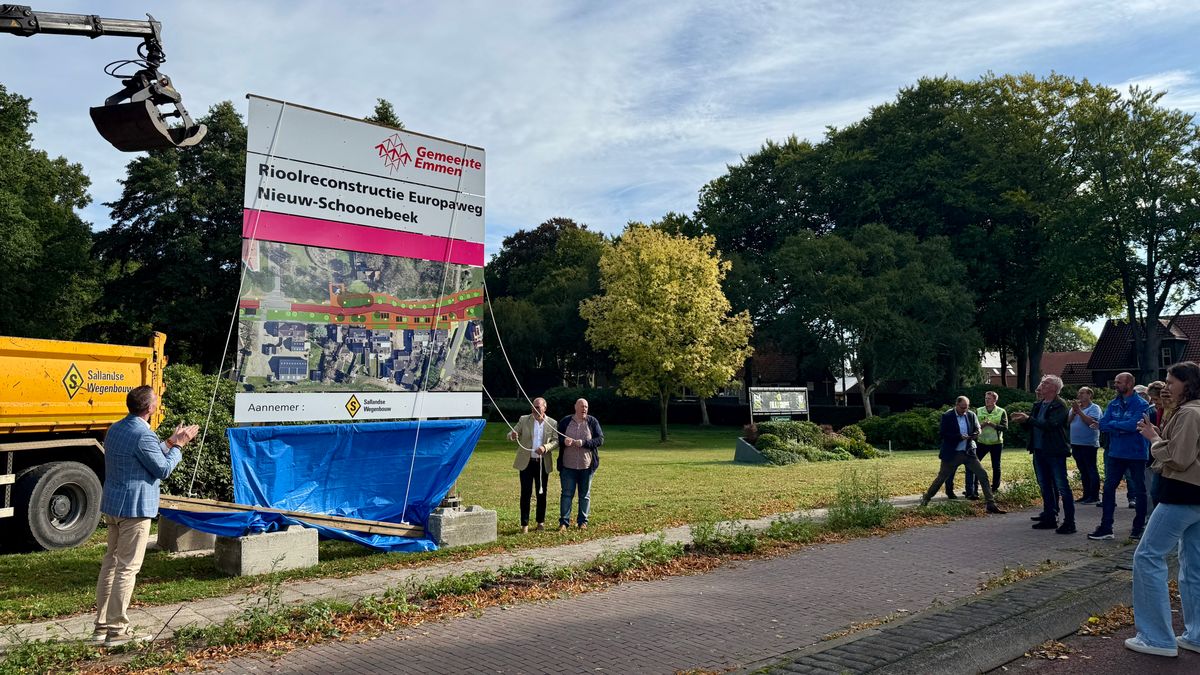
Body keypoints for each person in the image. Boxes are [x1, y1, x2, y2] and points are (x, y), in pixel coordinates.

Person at [91, 385, 198, 647]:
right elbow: (162, 470)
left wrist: (170, 441)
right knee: (127, 568)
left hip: (115, 506)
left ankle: (101, 628)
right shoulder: (144, 435)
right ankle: (117, 632)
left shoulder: (116, 428)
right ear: (149, 408)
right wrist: (179, 447)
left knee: (111, 565)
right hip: (135, 510)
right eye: (156, 402)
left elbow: (141, 456)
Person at [1124, 361, 1200, 657]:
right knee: (1193, 564)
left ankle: (1156, 638)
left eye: (1171, 381)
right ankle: (1195, 634)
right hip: (1196, 495)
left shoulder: (1190, 413)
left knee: (1147, 557)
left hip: (1181, 494)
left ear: (1188, 383)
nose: (1166, 386)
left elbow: (1178, 459)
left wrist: (1154, 439)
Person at [1088, 372, 1151, 541]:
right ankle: (1106, 526)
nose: (1115, 384)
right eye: (1115, 381)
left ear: (1129, 384)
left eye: (1119, 382)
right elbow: (1102, 424)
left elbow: (1133, 426)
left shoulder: (1141, 404)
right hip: (1115, 453)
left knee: (1139, 490)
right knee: (1108, 489)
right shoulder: (1113, 403)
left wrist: (1113, 426)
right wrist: (1118, 427)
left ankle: (1139, 527)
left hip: (1136, 453)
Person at [1011, 375, 1076, 534]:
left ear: (1054, 388)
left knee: (1062, 486)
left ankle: (1070, 522)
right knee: (1045, 485)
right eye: (1042, 382)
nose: (1042, 385)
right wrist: (1023, 422)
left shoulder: (1060, 405)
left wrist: (1029, 419)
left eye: (1046, 383)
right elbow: (1032, 426)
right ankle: (1049, 517)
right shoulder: (1039, 404)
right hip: (1039, 451)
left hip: (1054, 451)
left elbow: (1051, 425)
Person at [919, 396, 1006, 514]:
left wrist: (976, 433)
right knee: (941, 478)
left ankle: (990, 504)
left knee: (983, 475)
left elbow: (978, 428)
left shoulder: (971, 415)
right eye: (962, 407)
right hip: (952, 453)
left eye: (967, 407)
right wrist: (959, 437)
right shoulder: (948, 416)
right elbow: (943, 434)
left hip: (968, 452)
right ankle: (926, 499)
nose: (964, 410)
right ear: (956, 405)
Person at [507, 397, 557, 533]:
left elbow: (556, 441)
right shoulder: (524, 419)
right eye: (533, 407)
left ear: (544, 408)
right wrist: (512, 435)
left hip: (542, 463)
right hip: (526, 463)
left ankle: (540, 522)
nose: (535, 410)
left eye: (538, 407)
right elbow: (511, 434)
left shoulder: (552, 422)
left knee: (542, 494)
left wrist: (545, 447)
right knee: (525, 493)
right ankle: (525, 525)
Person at [557, 398, 604, 530]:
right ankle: (563, 523)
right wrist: (564, 441)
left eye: (586, 407)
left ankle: (583, 522)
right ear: (575, 407)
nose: (584, 409)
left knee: (585, 495)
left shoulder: (592, 421)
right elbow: (557, 438)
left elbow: (600, 440)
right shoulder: (566, 421)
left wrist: (584, 443)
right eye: (582, 406)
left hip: (586, 466)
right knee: (566, 494)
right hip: (567, 466)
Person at [966, 391, 1007, 500]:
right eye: (986, 398)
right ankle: (973, 488)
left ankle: (995, 487)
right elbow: (973, 426)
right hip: (982, 442)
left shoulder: (1001, 411)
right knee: (975, 465)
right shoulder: (979, 410)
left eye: (989, 398)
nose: (986, 400)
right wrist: (982, 425)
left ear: (995, 400)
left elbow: (1005, 427)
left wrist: (992, 425)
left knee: (996, 466)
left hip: (996, 443)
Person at [1070, 387, 1103, 504]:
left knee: (1091, 469)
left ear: (1089, 395)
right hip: (1075, 443)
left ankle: (1094, 496)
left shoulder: (1094, 408)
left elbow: (1092, 422)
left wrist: (1079, 412)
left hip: (1088, 443)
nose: (1080, 395)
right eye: (1079, 393)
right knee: (1082, 470)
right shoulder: (1075, 408)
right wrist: (1074, 413)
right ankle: (1086, 494)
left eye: (1082, 393)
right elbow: (1067, 422)